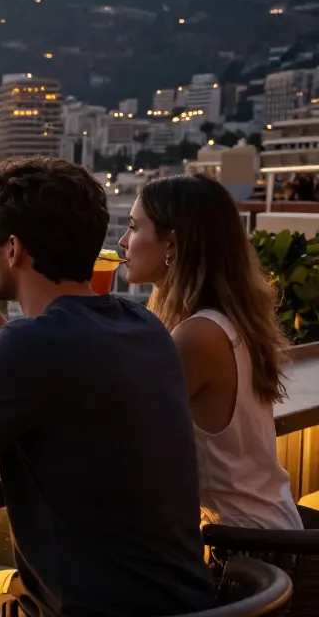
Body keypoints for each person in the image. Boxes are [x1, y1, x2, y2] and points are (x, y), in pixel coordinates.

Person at [0, 158, 214, 617]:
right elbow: (71, 388)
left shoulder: (26, 345)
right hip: (191, 605)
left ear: (12, 249)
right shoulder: (145, 326)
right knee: (1, 580)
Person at [119, 173, 302, 531]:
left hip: (248, 557)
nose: (124, 242)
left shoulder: (199, 336)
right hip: (270, 535)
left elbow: (119, 429)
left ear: (171, 244)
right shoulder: (225, 323)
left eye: (133, 227)